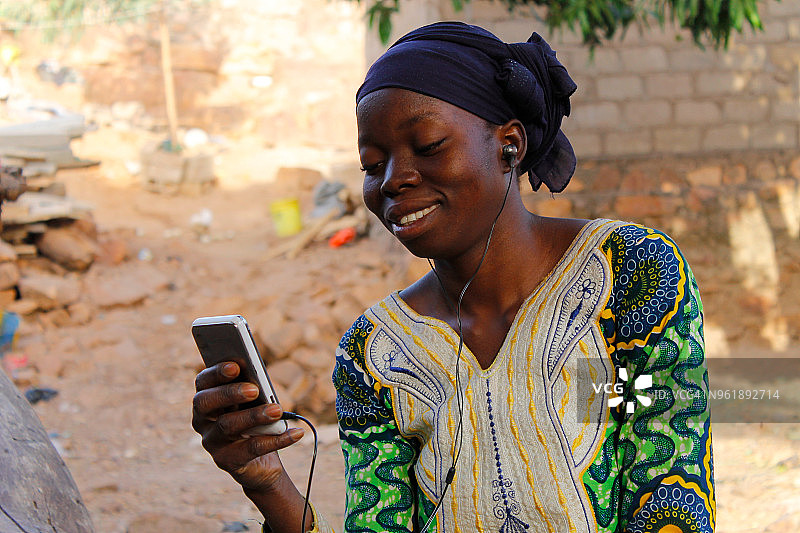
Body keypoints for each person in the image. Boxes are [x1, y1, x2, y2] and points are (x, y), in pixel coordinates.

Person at [192, 22, 715, 533]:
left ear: (508, 146)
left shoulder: (630, 275)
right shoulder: (375, 354)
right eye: (373, 165)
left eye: (428, 146)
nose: (394, 179)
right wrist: (264, 482)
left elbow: (671, 490)